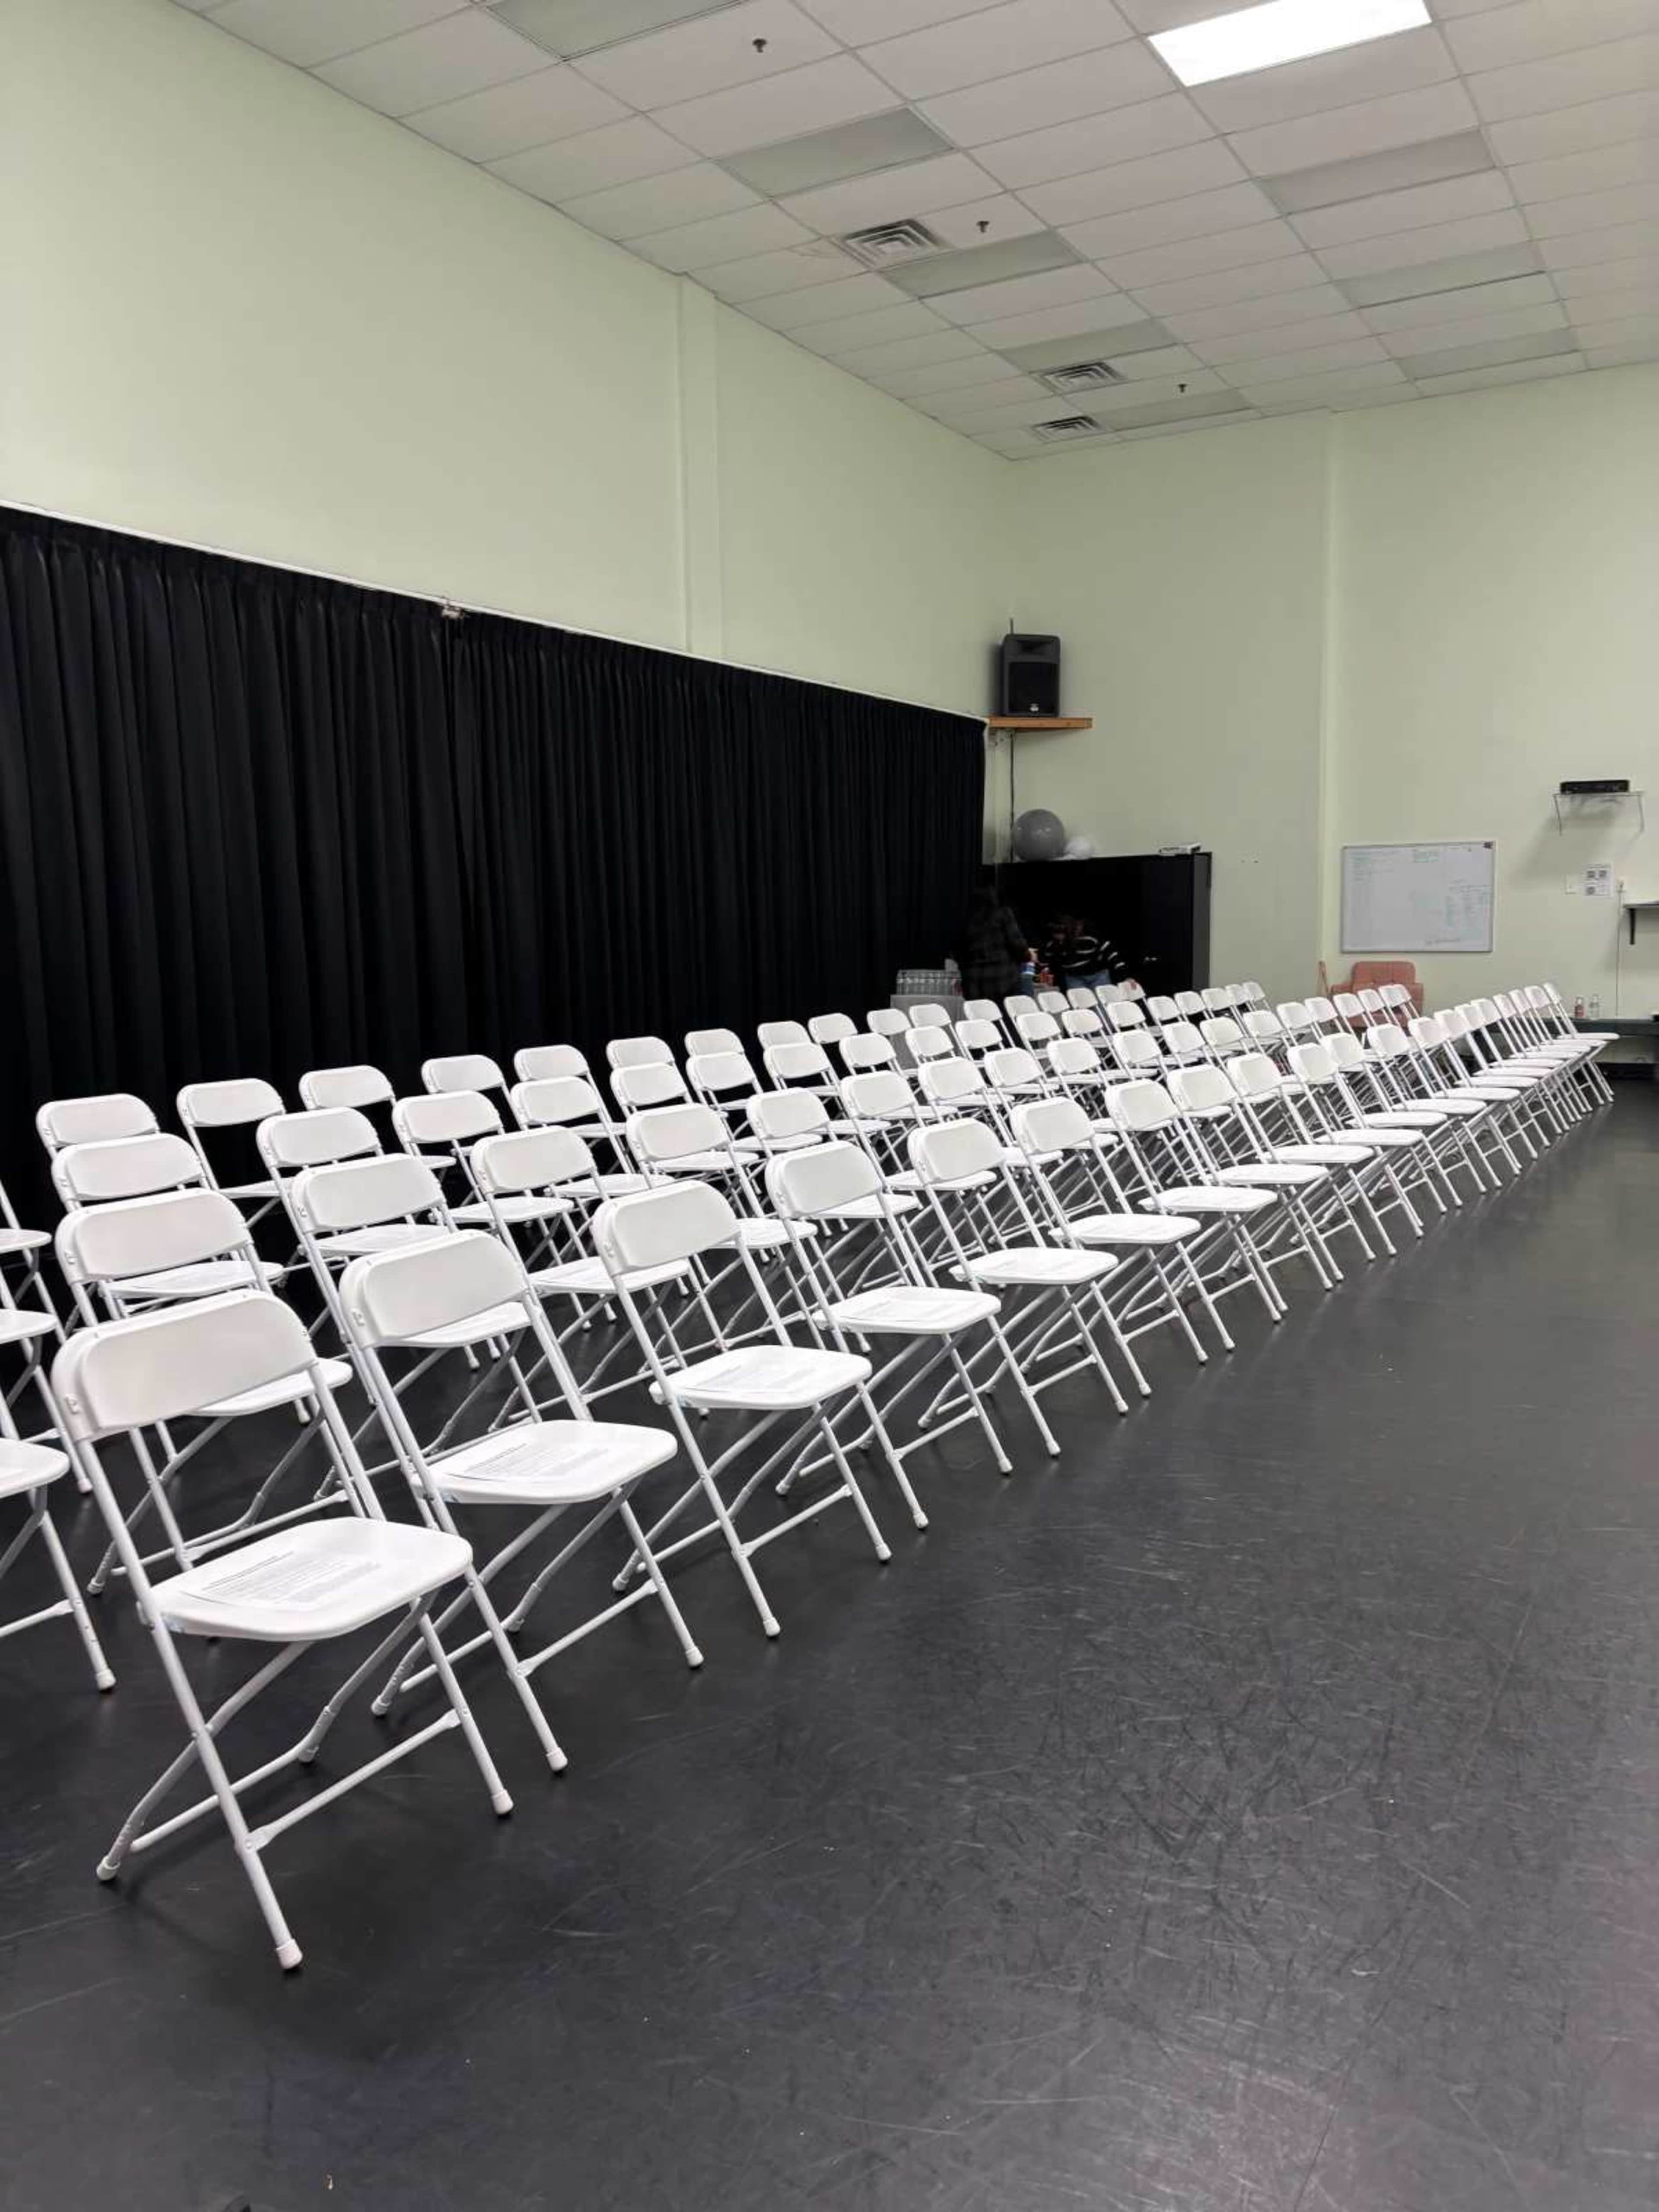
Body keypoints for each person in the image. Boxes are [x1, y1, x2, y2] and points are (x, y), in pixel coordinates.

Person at [955, 884, 1031, 1000]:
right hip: (1002, 980)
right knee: (1006, 1014)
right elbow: (1018, 944)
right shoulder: (1003, 914)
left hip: (973, 982)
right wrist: (1028, 956)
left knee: (979, 1016)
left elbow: (957, 951)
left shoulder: (965, 919)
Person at [1041, 915, 1132, 995]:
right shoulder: (1053, 946)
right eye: (1056, 934)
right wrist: (1047, 971)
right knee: (1082, 1006)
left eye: (1061, 934)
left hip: (1098, 975)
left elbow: (1113, 956)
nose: (1059, 938)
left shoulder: (1089, 939)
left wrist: (1126, 977)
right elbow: (1049, 962)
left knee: (1104, 1002)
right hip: (1074, 978)